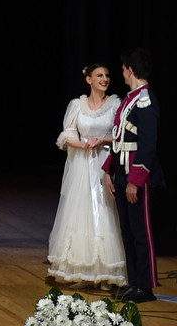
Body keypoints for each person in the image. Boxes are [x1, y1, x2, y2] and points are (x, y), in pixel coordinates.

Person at [47, 63, 126, 287]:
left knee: (104, 211)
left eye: (107, 75)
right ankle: (82, 271)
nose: (105, 79)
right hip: (82, 165)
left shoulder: (115, 104)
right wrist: (83, 145)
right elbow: (67, 134)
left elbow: (120, 135)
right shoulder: (77, 105)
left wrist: (102, 141)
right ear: (89, 79)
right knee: (81, 212)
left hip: (104, 163)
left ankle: (106, 272)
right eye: (99, 75)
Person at [101, 48, 162, 303]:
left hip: (136, 177)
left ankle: (145, 287)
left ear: (131, 70)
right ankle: (134, 282)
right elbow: (119, 139)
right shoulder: (131, 99)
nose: (122, 73)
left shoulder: (145, 100)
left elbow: (147, 146)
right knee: (127, 232)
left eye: (124, 69)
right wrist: (109, 169)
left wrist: (135, 182)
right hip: (122, 174)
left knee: (140, 233)